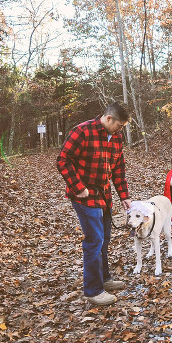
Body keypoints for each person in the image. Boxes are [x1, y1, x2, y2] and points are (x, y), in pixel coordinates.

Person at [56, 102, 132, 306]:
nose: (120, 129)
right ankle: (93, 290)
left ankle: (104, 279)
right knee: (94, 240)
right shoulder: (82, 131)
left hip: (104, 195)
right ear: (109, 119)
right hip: (84, 196)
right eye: (120, 125)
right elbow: (63, 160)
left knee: (105, 239)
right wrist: (78, 187)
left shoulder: (116, 137)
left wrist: (124, 195)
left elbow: (118, 168)